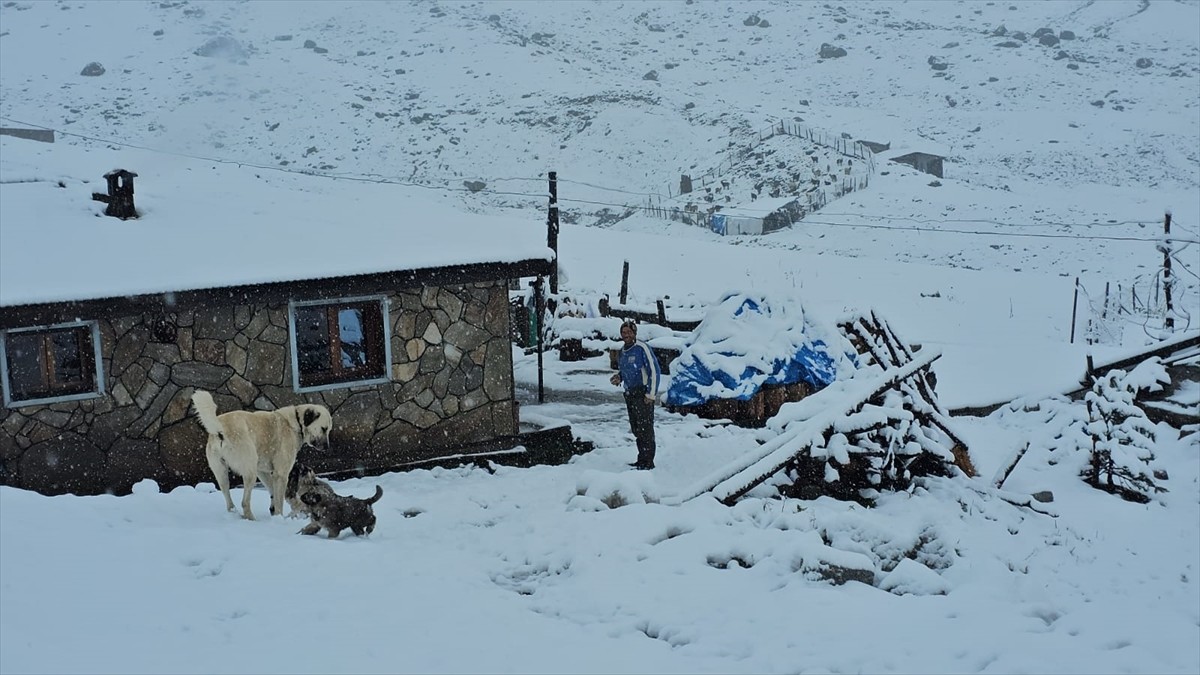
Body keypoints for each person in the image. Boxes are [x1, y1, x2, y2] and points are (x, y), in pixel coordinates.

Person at [609, 321, 660, 470]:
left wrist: (651, 394)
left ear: (635, 333)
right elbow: (625, 371)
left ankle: (648, 461)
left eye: (629, 332)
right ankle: (641, 459)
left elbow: (654, 370)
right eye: (623, 332)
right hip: (630, 394)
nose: (626, 335)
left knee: (646, 428)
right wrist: (619, 377)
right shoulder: (622, 351)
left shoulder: (642, 348)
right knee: (637, 428)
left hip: (642, 393)